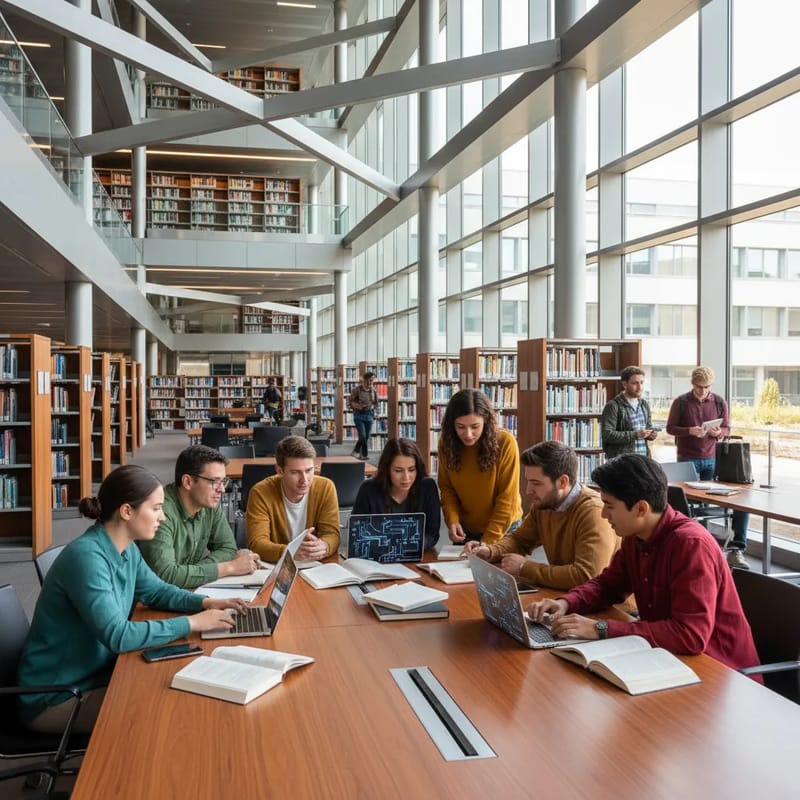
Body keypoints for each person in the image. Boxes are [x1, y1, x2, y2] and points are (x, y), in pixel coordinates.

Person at [17, 465, 245, 734]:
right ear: (126, 511)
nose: (163, 517)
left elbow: (156, 591)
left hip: (96, 674)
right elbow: (119, 636)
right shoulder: (87, 558)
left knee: (175, 686)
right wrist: (192, 623)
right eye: (156, 508)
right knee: (165, 710)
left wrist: (205, 603)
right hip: (56, 697)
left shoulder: (124, 548)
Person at [527, 454, 759, 674]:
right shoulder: (636, 534)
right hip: (667, 658)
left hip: (718, 670)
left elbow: (690, 635)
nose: (604, 515)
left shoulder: (690, 545)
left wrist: (600, 628)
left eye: (609, 506)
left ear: (641, 509)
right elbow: (608, 586)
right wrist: (566, 603)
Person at [465, 441, 618, 589]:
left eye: (536, 483)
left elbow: (586, 576)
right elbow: (520, 541)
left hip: (611, 609)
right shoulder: (544, 504)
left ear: (562, 482)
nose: (528, 491)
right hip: (566, 597)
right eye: (528, 482)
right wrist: (491, 551)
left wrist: (525, 567)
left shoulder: (593, 512)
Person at [138, 445, 261, 588]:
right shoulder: (160, 513)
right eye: (214, 481)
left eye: (223, 481)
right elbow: (166, 576)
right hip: (150, 600)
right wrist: (230, 567)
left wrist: (191, 573)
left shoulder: (208, 504)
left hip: (187, 590)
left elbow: (228, 548)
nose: (221, 489)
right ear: (187, 482)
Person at [666, 366, 750, 569]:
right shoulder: (682, 402)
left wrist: (718, 432)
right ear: (692, 384)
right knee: (691, 503)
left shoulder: (720, 402)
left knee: (730, 501)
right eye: (699, 387)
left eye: (706, 387)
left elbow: (727, 428)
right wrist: (689, 431)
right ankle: (694, 546)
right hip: (688, 458)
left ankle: (733, 549)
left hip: (713, 458)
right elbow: (670, 428)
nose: (703, 391)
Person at [437, 388, 522, 545]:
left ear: (486, 422)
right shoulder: (446, 444)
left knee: (500, 569)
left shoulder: (505, 443)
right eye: (460, 427)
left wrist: (487, 542)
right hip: (466, 529)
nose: (468, 434)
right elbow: (447, 488)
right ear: (451, 425)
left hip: (504, 528)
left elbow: (507, 498)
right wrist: (453, 520)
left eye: (475, 426)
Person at [246, 435, 340, 562]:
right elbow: (257, 544)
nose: (305, 480)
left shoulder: (326, 487)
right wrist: (290, 552)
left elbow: (332, 534)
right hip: (276, 566)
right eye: (295, 472)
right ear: (280, 471)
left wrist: (324, 546)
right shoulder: (260, 492)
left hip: (315, 565)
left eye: (309, 470)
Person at [352, 437, 442, 550]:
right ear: (387, 469)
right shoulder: (368, 489)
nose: (406, 477)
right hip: (377, 557)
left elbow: (432, 534)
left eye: (411, 469)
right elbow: (357, 532)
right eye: (398, 471)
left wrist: (410, 546)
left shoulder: (427, 487)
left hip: (416, 554)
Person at [600, 365, 658, 458]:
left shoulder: (644, 405)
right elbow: (607, 435)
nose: (640, 387)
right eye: (635, 383)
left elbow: (648, 426)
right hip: (623, 462)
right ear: (625, 384)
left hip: (643, 459)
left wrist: (651, 434)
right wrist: (635, 434)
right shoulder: (613, 406)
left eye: (642, 383)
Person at [348, 371, 378, 460]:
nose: (370, 382)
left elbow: (376, 403)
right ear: (364, 380)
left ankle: (356, 450)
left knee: (367, 436)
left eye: (372, 380)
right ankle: (364, 454)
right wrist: (358, 406)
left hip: (369, 415)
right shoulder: (357, 390)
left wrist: (375, 411)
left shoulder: (374, 390)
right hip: (359, 415)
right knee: (362, 435)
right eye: (368, 380)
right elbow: (350, 402)